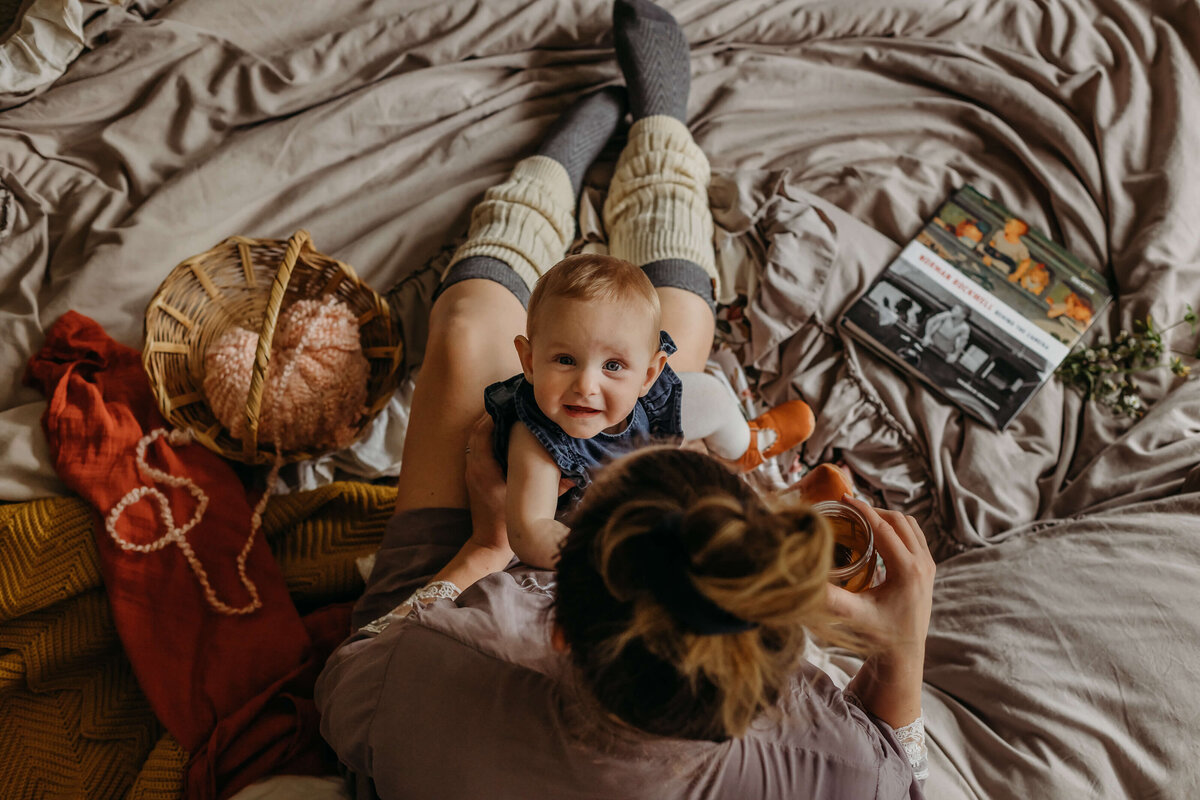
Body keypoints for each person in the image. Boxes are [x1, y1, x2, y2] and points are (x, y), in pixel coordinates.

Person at [315, 1, 930, 797]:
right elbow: (900, 781)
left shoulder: (431, 673)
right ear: (780, 678)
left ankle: (545, 180)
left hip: (499, 570)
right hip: (597, 590)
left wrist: (487, 553)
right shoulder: (830, 768)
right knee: (664, 338)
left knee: (470, 328)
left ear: (558, 633)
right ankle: (660, 138)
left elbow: (344, 689)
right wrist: (901, 652)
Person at [488, 253, 815, 568]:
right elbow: (530, 529)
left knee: (712, 394)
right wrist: (604, 554)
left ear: (648, 374)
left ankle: (744, 446)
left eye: (612, 365)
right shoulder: (536, 439)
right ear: (529, 362)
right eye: (565, 360)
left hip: (642, 423)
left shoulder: (643, 390)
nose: (586, 385)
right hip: (609, 499)